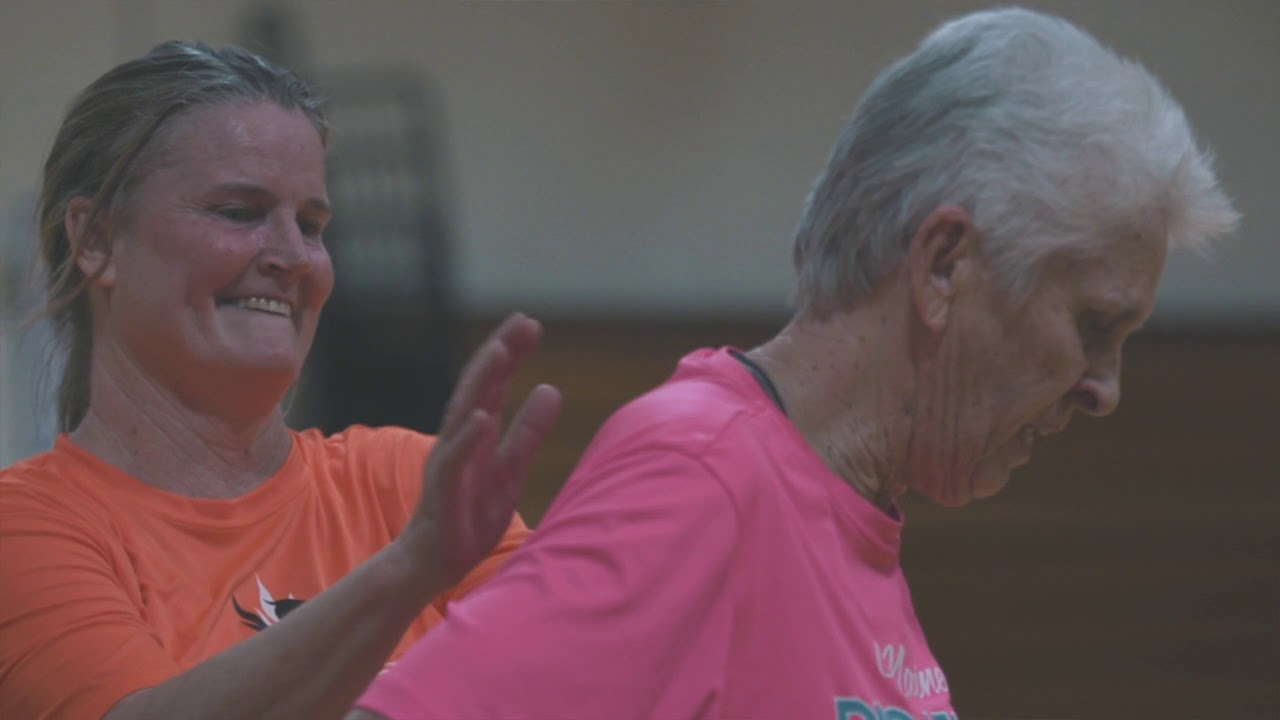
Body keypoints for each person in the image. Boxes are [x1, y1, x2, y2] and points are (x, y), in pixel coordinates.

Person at [350, 7, 1239, 720]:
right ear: (943, 267)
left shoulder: (845, 507)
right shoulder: (703, 476)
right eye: (1093, 324)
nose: (1104, 390)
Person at [0, 41, 561, 720]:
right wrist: (408, 571)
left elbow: (584, 684)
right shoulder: (26, 528)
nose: (295, 257)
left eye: (312, 225)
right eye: (239, 213)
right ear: (96, 240)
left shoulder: (404, 482)